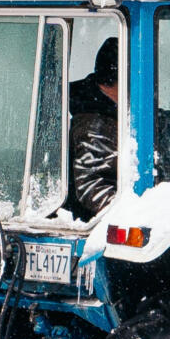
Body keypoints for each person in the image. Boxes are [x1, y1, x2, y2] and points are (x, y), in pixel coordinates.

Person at [68, 37, 119, 220]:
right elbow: (91, 186)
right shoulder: (94, 126)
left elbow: (157, 120)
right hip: (94, 225)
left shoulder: (113, 109)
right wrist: (132, 210)